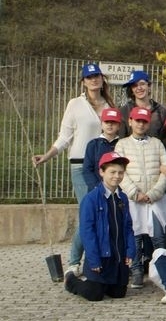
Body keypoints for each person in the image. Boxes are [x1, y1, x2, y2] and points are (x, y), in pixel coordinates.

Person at [33, 63, 115, 275]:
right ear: (83, 81)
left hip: (105, 166)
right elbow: (64, 137)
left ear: (102, 79)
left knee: (102, 213)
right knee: (89, 212)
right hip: (80, 165)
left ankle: (92, 260)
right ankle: (73, 261)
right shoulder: (75, 104)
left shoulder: (109, 104)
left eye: (96, 76)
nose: (94, 80)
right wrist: (47, 155)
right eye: (89, 77)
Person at [114, 107, 166, 289]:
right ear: (130, 121)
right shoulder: (122, 145)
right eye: (137, 120)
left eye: (144, 121)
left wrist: (154, 193)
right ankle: (137, 271)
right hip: (133, 200)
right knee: (136, 237)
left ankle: (163, 271)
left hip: (154, 199)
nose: (140, 124)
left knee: (158, 237)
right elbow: (119, 172)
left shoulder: (156, 143)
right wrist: (134, 193)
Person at [64, 152, 135, 302]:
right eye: (112, 172)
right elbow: (87, 232)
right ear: (101, 172)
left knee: (119, 293)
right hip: (101, 257)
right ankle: (71, 281)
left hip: (118, 257)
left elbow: (128, 227)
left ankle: (108, 283)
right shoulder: (90, 199)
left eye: (120, 172)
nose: (117, 176)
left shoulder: (122, 198)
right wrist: (94, 259)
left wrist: (130, 251)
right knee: (94, 295)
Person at [117, 70, 166, 138]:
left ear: (149, 86)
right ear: (131, 90)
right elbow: (121, 138)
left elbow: (165, 138)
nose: (139, 88)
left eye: (142, 84)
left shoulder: (161, 111)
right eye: (135, 85)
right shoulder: (124, 111)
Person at [81, 108, 122, 192]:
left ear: (119, 125)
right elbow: (87, 170)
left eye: (113, 122)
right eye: (106, 122)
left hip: (119, 191)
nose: (110, 125)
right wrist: (97, 187)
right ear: (101, 124)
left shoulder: (123, 144)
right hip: (97, 191)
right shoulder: (93, 145)